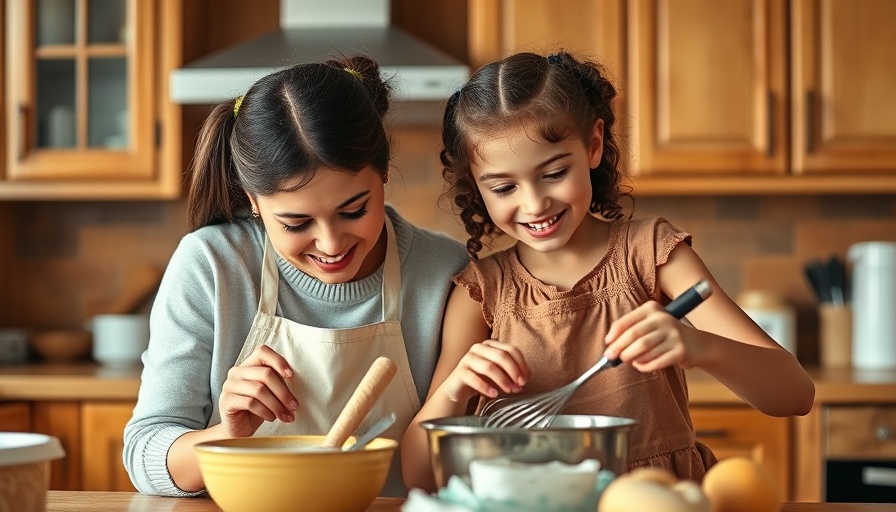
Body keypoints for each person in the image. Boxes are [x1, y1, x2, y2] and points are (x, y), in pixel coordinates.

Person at [401, 51, 815, 491]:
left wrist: (699, 345)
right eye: (504, 187)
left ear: (594, 145)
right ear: (476, 186)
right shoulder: (480, 292)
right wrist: (456, 390)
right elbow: (419, 477)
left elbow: (794, 395)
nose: (535, 204)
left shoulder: (654, 255)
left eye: (555, 172)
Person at [123, 55, 469, 498]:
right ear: (253, 200)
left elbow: (457, 465)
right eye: (296, 223)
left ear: (383, 173)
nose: (330, 244)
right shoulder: (212, 266)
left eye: (354, 210)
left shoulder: (444, 273)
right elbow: (143, 454)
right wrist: (227, 434)